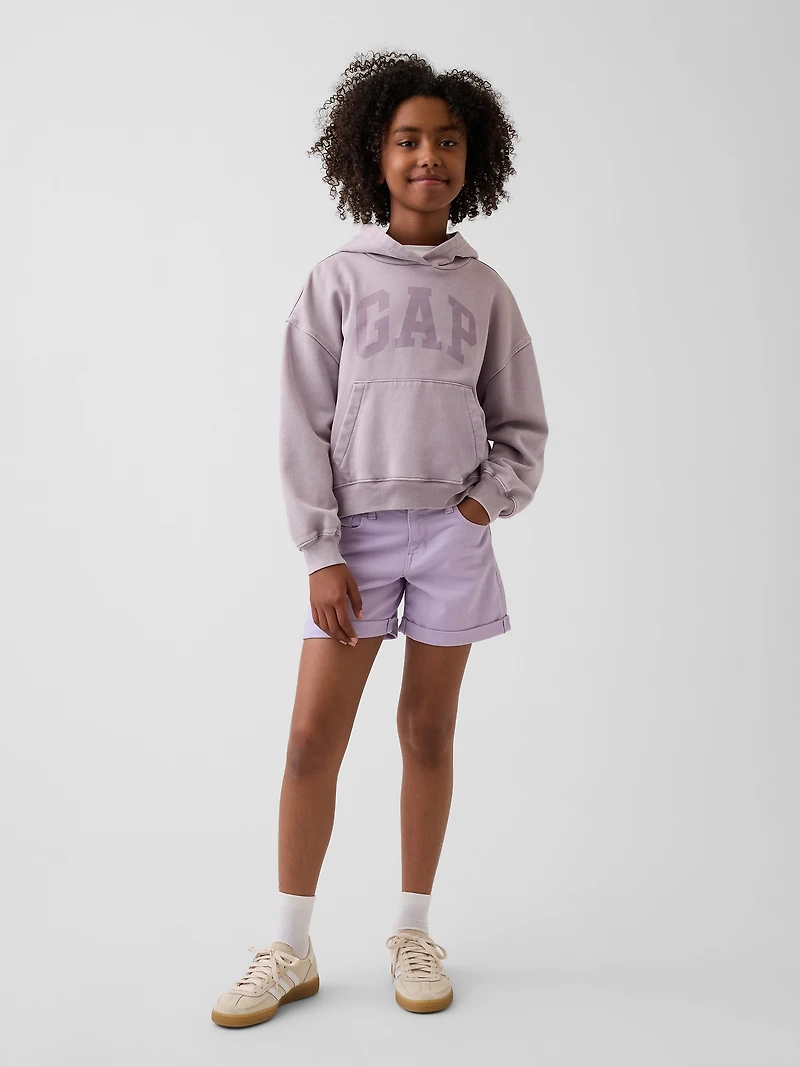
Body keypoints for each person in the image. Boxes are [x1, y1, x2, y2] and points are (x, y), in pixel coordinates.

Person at [211, 49, 549, 1027]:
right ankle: (289, 943)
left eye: (447, 141)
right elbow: (300, 422)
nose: (427, 156)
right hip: (353, 540)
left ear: (472, 159)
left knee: (426, 732)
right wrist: (321, 549)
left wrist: (481, 505)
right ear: (374, 155)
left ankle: (412, 928)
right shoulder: (337, 280)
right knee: (311, 738)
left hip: (451, 536)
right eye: (407, 140)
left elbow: (521, 424)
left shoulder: (485, 290)